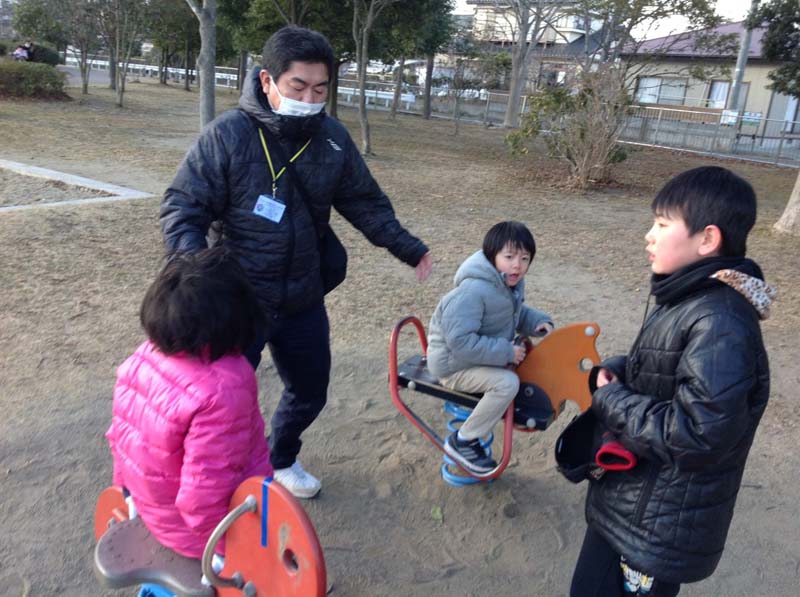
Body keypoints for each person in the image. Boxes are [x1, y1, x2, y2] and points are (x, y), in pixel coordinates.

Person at [161, 26, 432, 499]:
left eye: (321, 89)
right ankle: (210, 481)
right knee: (219, 401)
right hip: (237, 301)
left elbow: (364, 202)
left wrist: (407, 246)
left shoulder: (332, 139)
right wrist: (193, 271)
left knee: (310, 390)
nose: (310, 99)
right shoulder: (227, 135)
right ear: (267, 80)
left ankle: (281, 457)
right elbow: (184, 206)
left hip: (302, 297)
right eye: (298, 86)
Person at [570, 166, 775, 596]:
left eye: (662, 224)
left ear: (707, 239)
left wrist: (612, 398)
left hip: (656, 528)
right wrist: (624, 369)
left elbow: (699, 435)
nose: (649, 235)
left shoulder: (721, 321)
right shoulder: (689, 296)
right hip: (632, 505)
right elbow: (670, 370)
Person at [105, 248, 272, 560]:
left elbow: (120, 440)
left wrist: (128, 496)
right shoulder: (225, 387)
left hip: (150, 509)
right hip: (202, 535)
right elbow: (204, 493)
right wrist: (227, 552)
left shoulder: (143, 357)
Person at [426, 221, 554, 475]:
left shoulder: (506, 285)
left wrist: (536, 322)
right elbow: (460, 342)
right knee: (507, 383)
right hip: (452, 365)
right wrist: (506, 352)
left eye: (525, 259)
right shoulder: (473, 291)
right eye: (509, 257)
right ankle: (463, 441)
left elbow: (513, 315)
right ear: (491, 256)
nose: (517, 265)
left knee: (518, 374)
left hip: (473, 358)